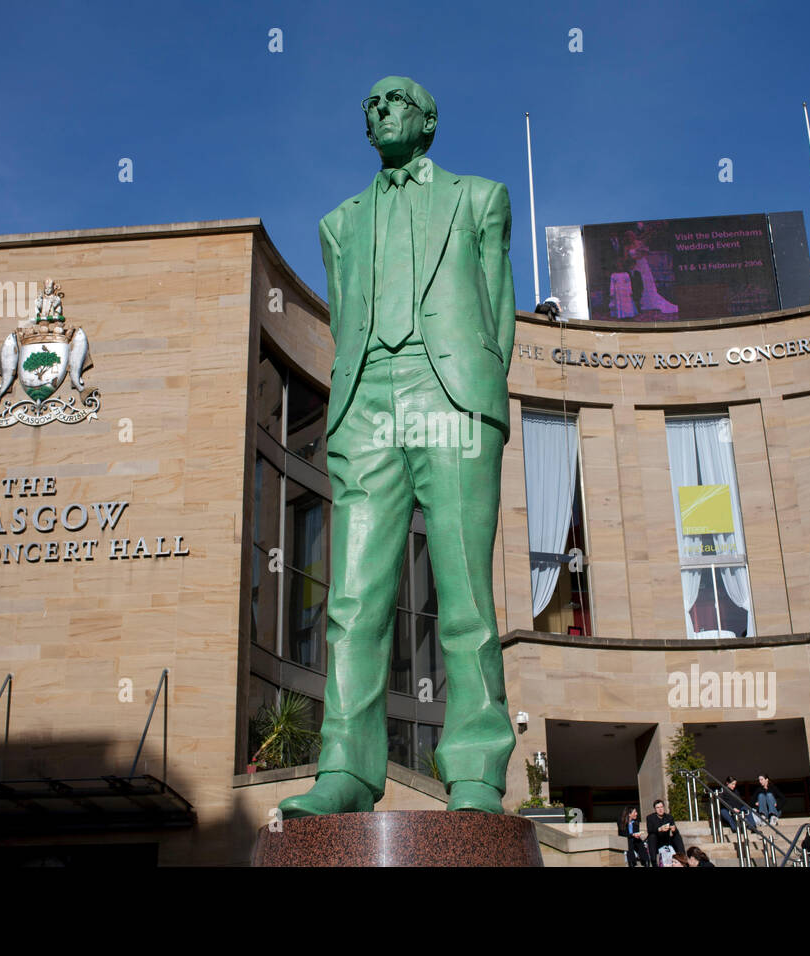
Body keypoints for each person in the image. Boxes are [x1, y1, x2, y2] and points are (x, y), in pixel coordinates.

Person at [280, 76, 517, 817]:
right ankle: (347, 766)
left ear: (429, 120)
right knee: (352, 596)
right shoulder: (338, 225)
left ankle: (476, 769)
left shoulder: (481, 198)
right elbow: (347, 319)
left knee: (464, 591)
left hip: (449, 394)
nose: (381, 113)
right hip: (366, 401)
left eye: (395, 102)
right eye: (370, 107)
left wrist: (476, 396)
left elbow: (499, 313)